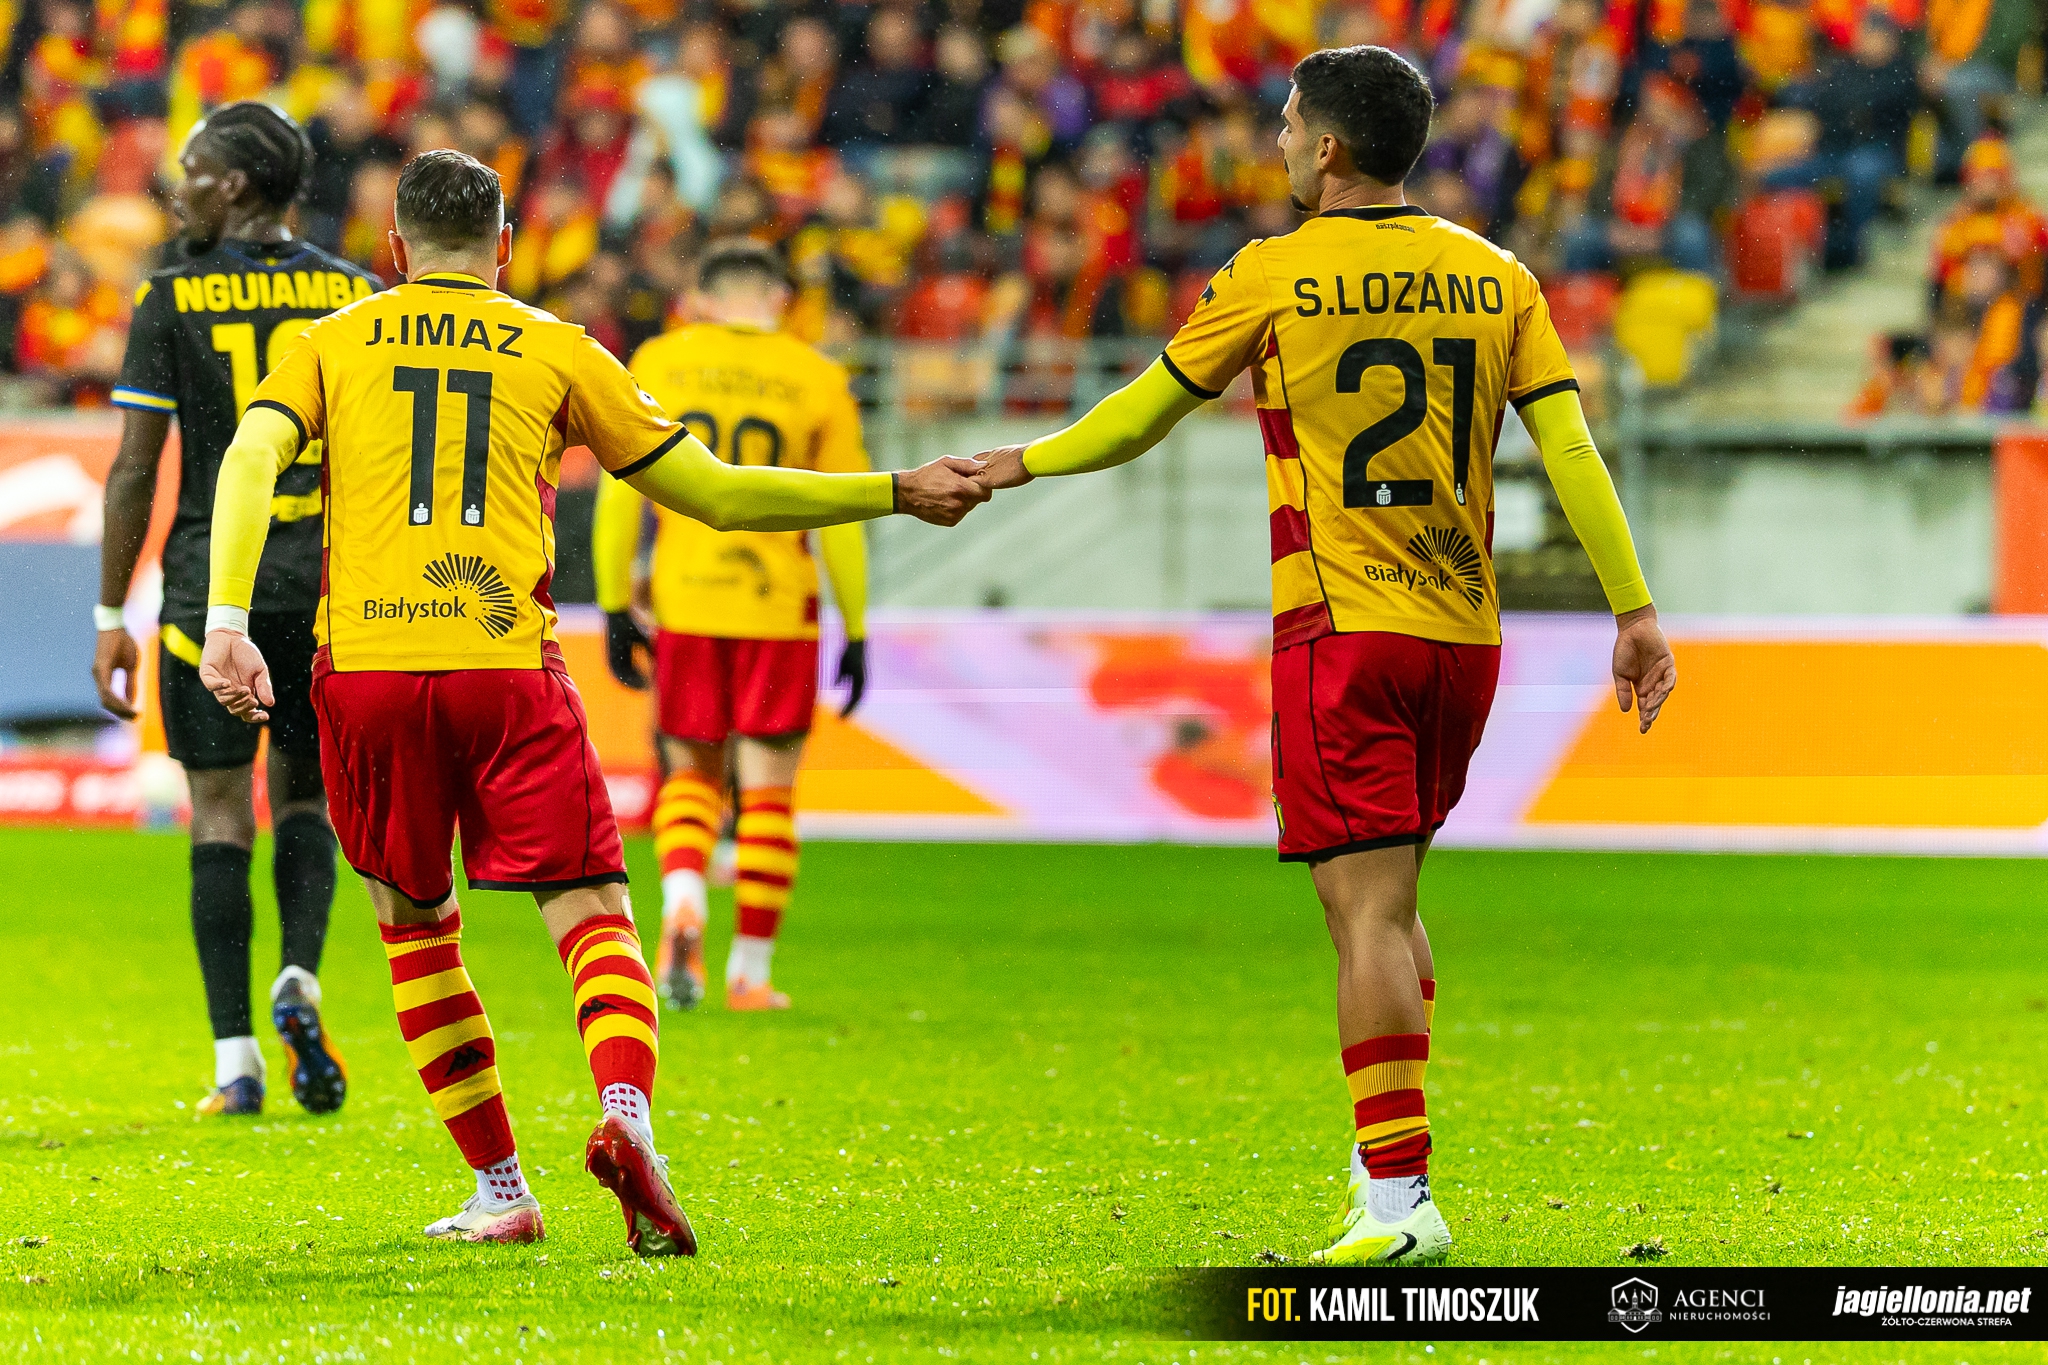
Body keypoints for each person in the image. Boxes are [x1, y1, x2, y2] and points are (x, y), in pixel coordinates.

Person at [194, 149, 989, 1250]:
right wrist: (894, 489)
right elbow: (713, 492)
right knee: (591, 912)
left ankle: (501, 1190)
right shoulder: (559, 347)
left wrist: (226, 620)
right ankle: (625, 1115)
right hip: (507, 668)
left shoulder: (332, 340)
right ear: (506, 247)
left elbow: (248, 457)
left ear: (394, 247)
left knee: (415, 928)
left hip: (368, 670)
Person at [968, 46, 1676, 1265]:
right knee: (1388, 907)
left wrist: (1012, 462)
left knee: (1365, 914)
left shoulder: (1271, 274)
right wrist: (1634, 611)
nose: (1279, 140)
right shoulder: (1497, 276)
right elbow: (1568, 451)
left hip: (1340, 628)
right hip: (1462, 636)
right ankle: (1376, 1169)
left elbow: (1139, 418)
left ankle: (1399, 1203)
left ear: (1330, 148)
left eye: (1290, 122)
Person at [93, 101, 379, 1119]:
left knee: (218, 811)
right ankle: (300, 972)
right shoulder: (353, 296)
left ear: (238, 185)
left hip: (208, 590)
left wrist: (108, 612)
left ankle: (235, 1063)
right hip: (323, 590)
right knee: (307, 802)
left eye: (192, 170)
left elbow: (136, 467)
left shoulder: (171, 294)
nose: (176, 189)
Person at [593, 239, 871, 1013]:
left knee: (689, 775)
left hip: (686, 599)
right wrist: (856, 625)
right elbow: (845, 512)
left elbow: (621, 491)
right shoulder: (817, 376)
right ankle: (749, 971)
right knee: (768, 793)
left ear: (701, 301)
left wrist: (614, 602)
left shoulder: (661, 360)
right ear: (780, 299)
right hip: (777, 604)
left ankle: (684, 901)